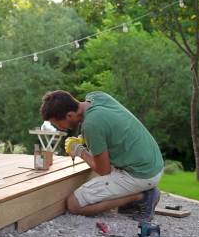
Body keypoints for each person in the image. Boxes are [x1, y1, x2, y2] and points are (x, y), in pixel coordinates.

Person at [40, 90, 164, 222]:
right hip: (152, 162)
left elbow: (103, 170)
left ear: (70, 115)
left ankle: (143, 196)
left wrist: (79, 150)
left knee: (74, 204)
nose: (59, 128)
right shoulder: (96, 97)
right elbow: (109, 127)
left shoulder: (91, 125)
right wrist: (84, 139)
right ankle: (134, 196)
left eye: (57, 124)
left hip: (141, 174)